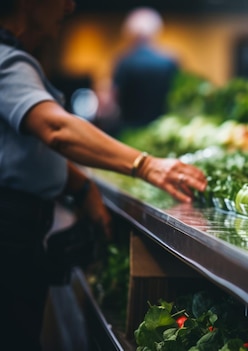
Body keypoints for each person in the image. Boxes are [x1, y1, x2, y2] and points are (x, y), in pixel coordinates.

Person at [0, 1, 207, 349]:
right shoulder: (7, 59)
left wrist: (81, 187)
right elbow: (55, 128)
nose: (69, 5)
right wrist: (147, 164)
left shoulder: (120, 62)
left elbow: (18, 147)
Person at [101, 6, 180, 136]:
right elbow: (176, 99)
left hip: (129, 131)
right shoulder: (169, 61)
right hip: (161, 131)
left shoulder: (124, 61)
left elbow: (111, 101)